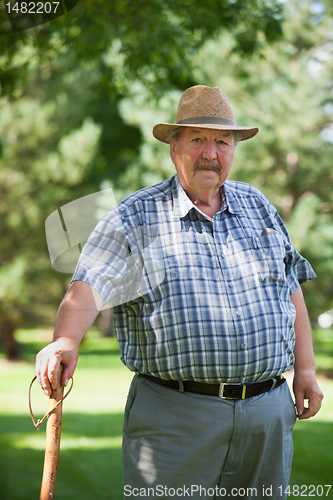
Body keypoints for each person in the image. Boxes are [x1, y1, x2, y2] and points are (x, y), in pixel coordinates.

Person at [35, 85, 323, 499]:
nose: (211, 153)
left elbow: (289, 288)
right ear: (174, 149)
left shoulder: (258, 206)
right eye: (198, 140)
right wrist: (66, 339)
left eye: (222, 141)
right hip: (176, 419)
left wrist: (307, 370)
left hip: (267, 413)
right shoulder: (136, 216)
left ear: (234, 150)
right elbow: (89, 285)